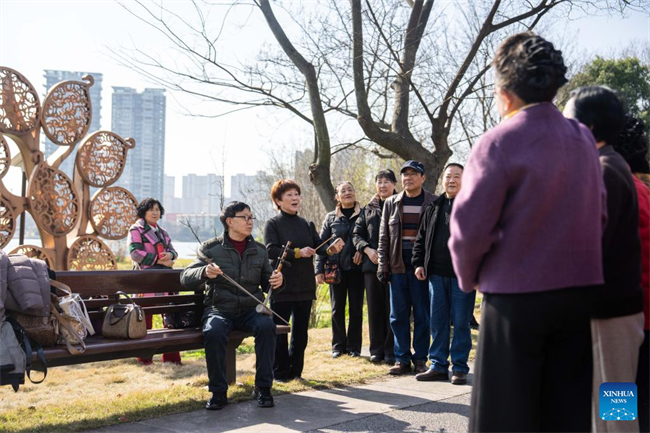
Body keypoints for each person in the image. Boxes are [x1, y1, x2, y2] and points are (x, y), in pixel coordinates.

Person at [449, 32, 606, 433]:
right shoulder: (583, 140)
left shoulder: (499, 141)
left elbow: (469, 230)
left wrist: (469, 278)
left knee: (505, 417)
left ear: (504, 92)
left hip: (515, 299)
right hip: (578, 296)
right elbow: (600, 216)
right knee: (565, 416)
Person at [564, 87, 644, 433]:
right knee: (607, 410)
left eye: (569, 120)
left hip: (611, 314)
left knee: (616, 411)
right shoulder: (609, 165)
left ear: (590, 127)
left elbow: (589, 244)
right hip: (613, 310)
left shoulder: (604, 170)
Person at [180, 201, 284, 410]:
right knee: (214, 331)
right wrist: (204, 272)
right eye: (245, 217)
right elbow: (185, 277)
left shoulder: (259, 250)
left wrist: (277, 281)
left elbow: (268, 284)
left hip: (250, 309)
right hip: (220, 309)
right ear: (229, 221)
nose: (250, 221)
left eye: (251, 217)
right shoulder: (210, 249)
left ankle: (263, 388)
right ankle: (218, 392)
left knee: (266, 326)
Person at [264, 180, 343, 381]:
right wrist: (297, 253)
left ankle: (296, 372)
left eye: (297, 194)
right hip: (282, 285)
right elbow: (271, 250)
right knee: (279, 332)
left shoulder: (307, 224)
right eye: (289, 195)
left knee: (300, 333)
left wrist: (331, 249)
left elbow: (319, 247)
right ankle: (280, 372)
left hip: (305, 285)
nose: (295, 198)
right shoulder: (273, 224)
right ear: (278, 201)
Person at [412, 163, 474, 385]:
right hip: (436, 275)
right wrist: (418, 263)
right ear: (442, 180)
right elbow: (421, 238)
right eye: (448, 176)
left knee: (461, 322)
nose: (452, 180)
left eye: (457, 176)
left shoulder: (473, 206)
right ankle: (438, 366)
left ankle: (459, 368)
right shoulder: (433, 207)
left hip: (463, 275)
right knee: (437, 322)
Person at [378, 160, 436, 375]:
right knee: (398, 315)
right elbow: (383, 237)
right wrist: (383, 265)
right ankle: (401, 359)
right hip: (397, 266)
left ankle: (420, 359)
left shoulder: (434, 202)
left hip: (423, 267)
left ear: (423, 178)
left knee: (422, 315)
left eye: (413, 174)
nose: (408, 178)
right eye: (405, 174)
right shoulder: (391, 203)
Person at [612, 116, 650, 432]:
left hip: (621, 325)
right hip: (644, 320)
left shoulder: (612, 191)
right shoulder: (643, 193)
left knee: (620, 411)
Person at [128, 197, 181, 366]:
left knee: (170, 321)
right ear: (143, 212)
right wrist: (159, 260)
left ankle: (172, 359)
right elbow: (135, 253)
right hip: (146, 281)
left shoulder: (163, 232)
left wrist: (169, 255)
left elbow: (174, 252)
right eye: (151, 209)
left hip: (164, 280)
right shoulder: (136, 229)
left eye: (157, 209)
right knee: (145, 321)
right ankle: (144, 358)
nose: (155, 212)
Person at [352, 169, 397, 364]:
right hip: (372, 266)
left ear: (394, 184)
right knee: (375, 309)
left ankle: (391, 350)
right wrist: (367, 250)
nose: (383, 185)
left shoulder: (400, 204)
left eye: (387, 182)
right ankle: (376, 350)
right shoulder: (367, 210)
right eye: (379, 182)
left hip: (395, 266)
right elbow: (356, 234)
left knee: (393, 309)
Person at [315, 181, 364, 358]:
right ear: (337, 196)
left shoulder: (364, 214)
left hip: (357, 269)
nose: (347, 193)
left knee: (356, 309)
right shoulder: (330, 218)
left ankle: (354, 347)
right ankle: (338, 346)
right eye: (343, 191)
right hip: (336, 269)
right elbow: (321, 245)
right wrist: (318, 270)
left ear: (355, 193)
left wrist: (362, 250)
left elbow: (369, 238)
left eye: (350, 189)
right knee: (337, 309)